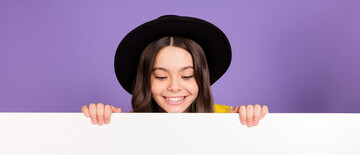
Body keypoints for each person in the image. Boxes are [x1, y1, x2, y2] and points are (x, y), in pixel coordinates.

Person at [81, 15, 269, 127]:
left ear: (202, 78)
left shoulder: (228, 119)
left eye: (187, 76)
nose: (174, 87)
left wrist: (251, 118)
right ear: (145, 79)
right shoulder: (128, 124)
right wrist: (98, 118)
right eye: (161, 76)